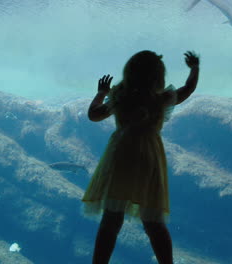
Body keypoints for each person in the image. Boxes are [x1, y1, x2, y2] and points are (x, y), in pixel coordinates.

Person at [82, 50, 200, 264]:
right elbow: (188, 89)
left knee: (111, 218)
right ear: (158, 75)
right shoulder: (159, 98)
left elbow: (93, 115)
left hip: (120, 157)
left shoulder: (120, 97)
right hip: (148, 157)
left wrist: (101, 92)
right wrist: (194, 68)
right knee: (153, 220)